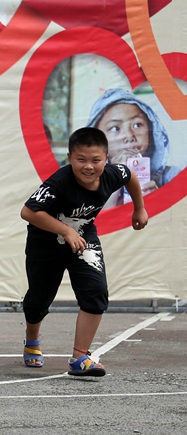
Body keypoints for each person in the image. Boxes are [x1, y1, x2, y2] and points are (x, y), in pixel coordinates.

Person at [20, 127, 148, 376]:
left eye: (96, 160)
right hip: (45, 244)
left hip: (83, 238)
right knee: (39, 298)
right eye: (81, 160)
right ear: (70, 158)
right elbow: (28, 211)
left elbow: (130, 175)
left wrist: (139, 208)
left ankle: (80, 356)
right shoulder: (59, 182)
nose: (88, 166)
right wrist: (66, 231)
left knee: (96, 291)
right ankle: (32, 339)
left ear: (106, 159)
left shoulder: (113, 174)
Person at [86, 88, 180, 207]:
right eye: (115, 128)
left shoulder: (171, 178)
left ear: (151, 131)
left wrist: (157, 202)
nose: (129, 136)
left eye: (137, 125)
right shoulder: (84, 181)